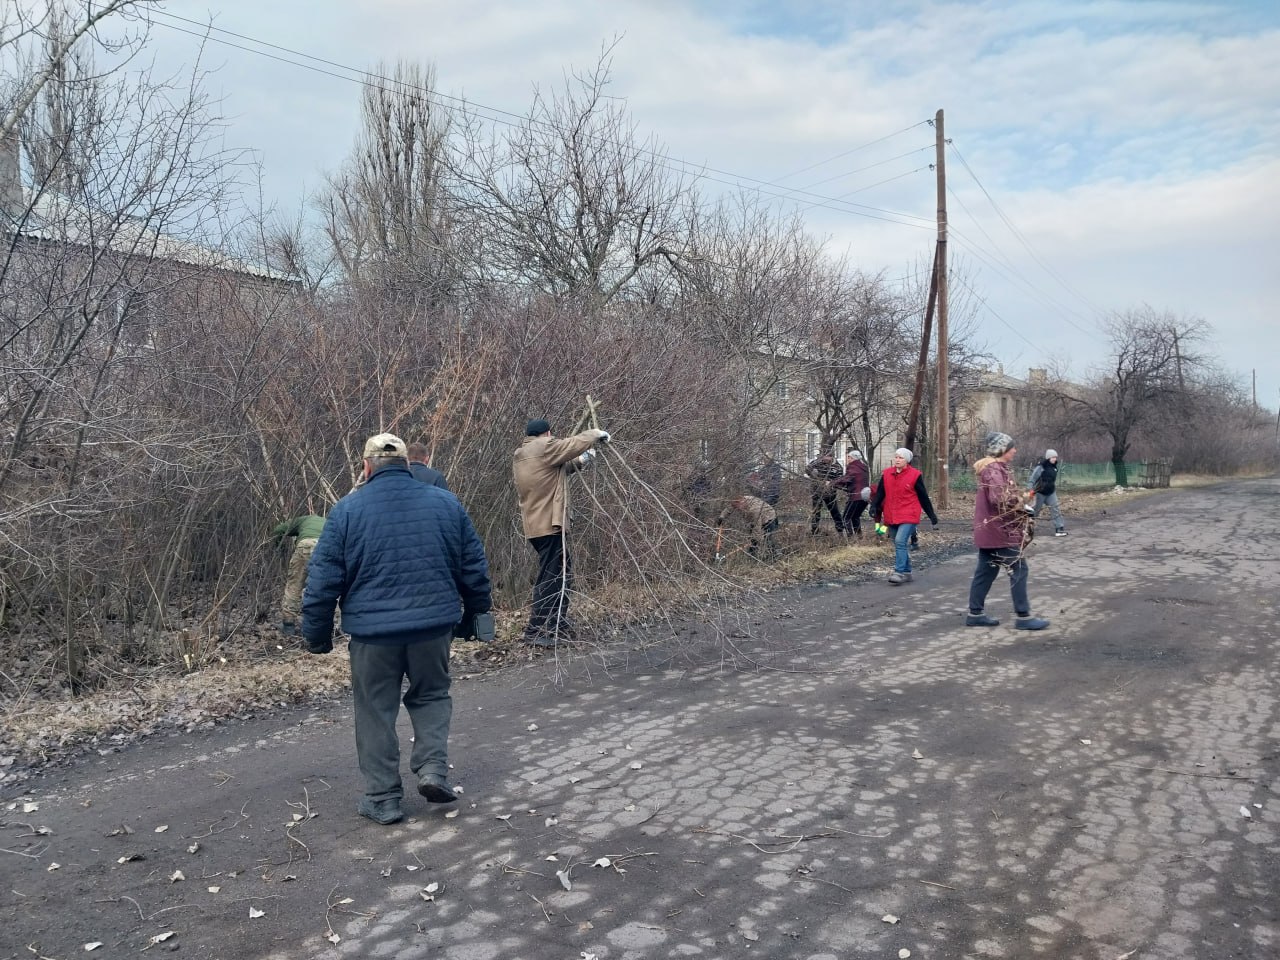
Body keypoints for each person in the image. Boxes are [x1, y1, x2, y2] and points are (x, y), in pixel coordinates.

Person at [302, 433, 492, 826]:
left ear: (366, 467)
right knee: (432, 695)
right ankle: (432, 770)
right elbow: (473, 567)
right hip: (433, 628)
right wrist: (476, 614)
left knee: (375, 711)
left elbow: (322, 581)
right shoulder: (446, 503)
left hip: (373, 636)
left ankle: (383, 798)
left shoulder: (346, 511)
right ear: (408, 464)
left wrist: (316, 635)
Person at [512, 418, 611, 646]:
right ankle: (537, 630)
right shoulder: (544, 447)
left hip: (536, 527)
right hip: (550, 524)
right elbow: (570, 445)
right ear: (547, 434)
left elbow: (557, 470)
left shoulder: (523, 454)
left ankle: (558, 625)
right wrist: (596, 434)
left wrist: (584, 459)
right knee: (552, 578)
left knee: (560, 574)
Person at [966, 432, 1050, 631]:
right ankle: (1023, 617)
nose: (1015, 450)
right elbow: (999, 499)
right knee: (1019, 568)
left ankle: (975, 614)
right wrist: (1022, 505)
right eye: (1011, 447)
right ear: (1002, 449)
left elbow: (1000, 497)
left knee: (986, 571)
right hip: (999, 531)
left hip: (991, 530)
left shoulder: (994, 468)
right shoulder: (994, 469)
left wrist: (1022, 501)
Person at [869, 447, 939, 584]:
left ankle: (899, 572)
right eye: (896, 457)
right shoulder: (887, 474)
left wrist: (932, 515)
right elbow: (880, 493)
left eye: (900, 458)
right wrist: (874, 506)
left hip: (909, 513)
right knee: (897, 543)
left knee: (900, 541)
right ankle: (907, 572)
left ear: (907, 460)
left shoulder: (915, 475)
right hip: (891, 514)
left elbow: (923, 497)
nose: (897, 460)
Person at [272, 513, 325, 636]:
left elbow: (278, 530)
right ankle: (320, 625)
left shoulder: (302, 520)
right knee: (323, 588)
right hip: (325, 548)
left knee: (295, 585)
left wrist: (279, 547)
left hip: (305, 546)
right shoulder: (328, 522)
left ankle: (288, 625)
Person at [717, 494, 779, 559]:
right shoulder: (740, 501)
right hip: (756, 518)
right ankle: (752, 555)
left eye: (737, 507)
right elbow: (730, 507)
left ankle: (774, 556)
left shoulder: (753, 510)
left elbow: (757, 526)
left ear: (741, 502)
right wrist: (722, 517)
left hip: (769, 518)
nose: (737, 509)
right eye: (735, 507)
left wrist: (756, 538)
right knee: (752, 537)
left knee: (767, 538)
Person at [1028, 448, 1067, 537]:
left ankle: (1059, 529)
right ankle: (1028, 528)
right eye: (1053, 457)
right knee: (1035, 511)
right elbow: (1032, 479)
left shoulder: (1054, 468)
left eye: (1055, 457)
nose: (1054, 459)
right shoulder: (1040, 467)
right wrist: (1030, 490)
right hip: (1040, 492)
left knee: (1055, 509)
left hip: (1051, 493)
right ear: (1048, 458)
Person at [805, 450, 845, 535]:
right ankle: (814, 530)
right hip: (817, 491)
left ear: (831, 457)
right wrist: (815, 478)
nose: (824, 458)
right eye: (823, 456)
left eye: (826, 457)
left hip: (830, 493)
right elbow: (807, 469)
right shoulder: (818, 462)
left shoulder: (837, 467)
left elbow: (840, 480)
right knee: (816, 511)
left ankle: (840, 530)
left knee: (834, 511)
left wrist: (831, 483)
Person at [834, 450, 870, 538]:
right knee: (855, 517)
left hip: (855, 496)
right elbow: (855, 481)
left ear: (852, 458)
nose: (847, 459)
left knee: (846, 518)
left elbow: (846, 479)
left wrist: (832, 483)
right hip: (865, 497)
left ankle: (850, 538)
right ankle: (859, 537)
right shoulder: (864, 467)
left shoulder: (853, 467)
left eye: (848, 457)